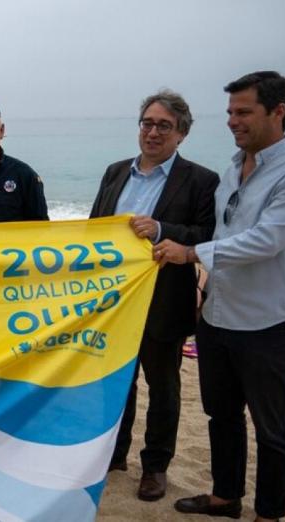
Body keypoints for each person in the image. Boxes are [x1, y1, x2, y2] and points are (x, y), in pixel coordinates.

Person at [153, 71, 285, 521]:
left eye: (244, 111)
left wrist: (190, 253)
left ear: (278, 111)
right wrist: (203, 287)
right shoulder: (232, 169)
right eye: (230, 112)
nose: (233, 120)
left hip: (271, 322)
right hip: (217, 317)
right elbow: (224, 232)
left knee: (272, 429)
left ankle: (268, 514)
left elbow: (266, 240)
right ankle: (225, 497)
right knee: (222, 415)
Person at [90, 90, 218, 502]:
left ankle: (155, 467)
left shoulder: (201, 180)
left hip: (164, 302)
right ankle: (114, 455)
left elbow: (207, 237)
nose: (153, 132)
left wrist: (162, 230)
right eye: (147, 123)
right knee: (116, 384)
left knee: (162, 389)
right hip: (113, 302)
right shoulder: (115, 172)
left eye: (165, 125)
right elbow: (94, 228)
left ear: (182, 133)